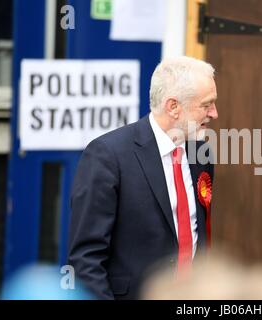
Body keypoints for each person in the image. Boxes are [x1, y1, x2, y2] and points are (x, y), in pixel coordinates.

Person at [68, 56, 218, 300]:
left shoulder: (201, 154)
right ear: (173, 107)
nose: (214, 113)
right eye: (206, 105)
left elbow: (197, 234)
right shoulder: (108, 155)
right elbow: (86, 259)